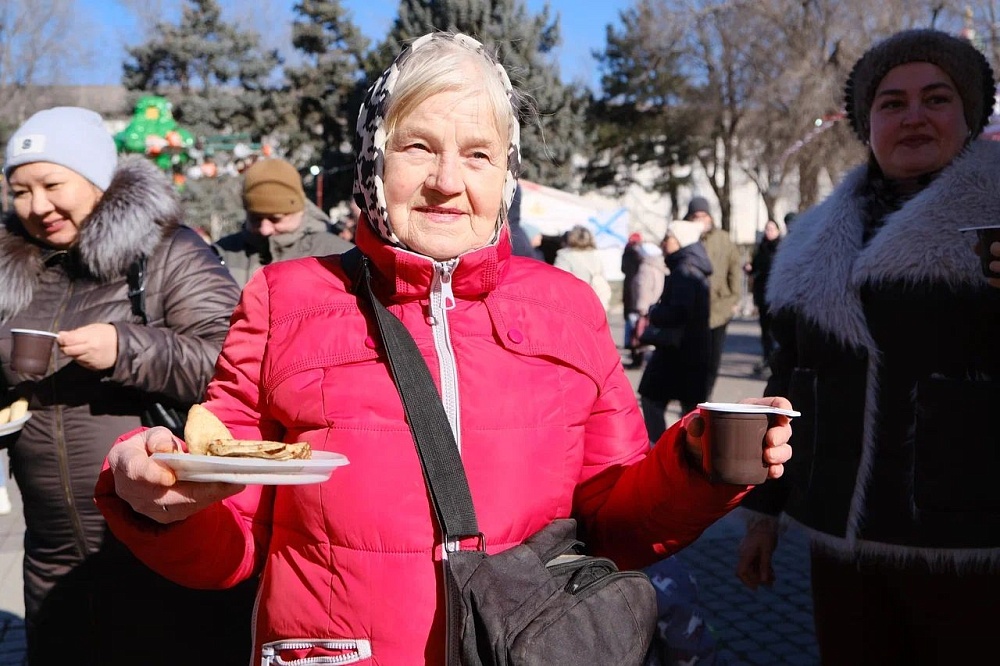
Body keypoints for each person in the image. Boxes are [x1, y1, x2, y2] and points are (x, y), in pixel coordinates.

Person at [94, 32, 795, 665]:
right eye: (419, 146)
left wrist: (698, 462)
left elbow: (614, 525)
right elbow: (233, 538)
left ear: (506, 176)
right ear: (375, 157)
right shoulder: (286, 298)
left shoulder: (568, 306)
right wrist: (161, 505)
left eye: (479, 154)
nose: (447, 181)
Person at [735, 29, 1000, 665]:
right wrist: (764, 512)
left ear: (968, 118)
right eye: (891, 103)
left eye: (936, 99)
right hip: (837, 539)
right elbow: (790, 381)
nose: (912, 116)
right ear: (867, 124)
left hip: (971, 542)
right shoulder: (815, 238)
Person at [0, 107, 252, 664]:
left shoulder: (164, 252)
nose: (37, 206)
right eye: (20, 190)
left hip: (160, 534)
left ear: (95, 178)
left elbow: (235, 364)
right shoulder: (13, 265)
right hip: (49, 549)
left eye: (52, 184)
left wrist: (125, 348)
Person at [214, 157, 353, 288]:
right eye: (256, 218)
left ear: (298, 211)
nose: (265, 229)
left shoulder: (340, 257)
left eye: (275, 219)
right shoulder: (220, 255)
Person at [636, 221, 713, 444]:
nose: (663, 242)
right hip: (690, 351)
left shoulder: (684, 269)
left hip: (677, 351)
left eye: (668, 237)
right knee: (689, 407)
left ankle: (663, 449)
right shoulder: (691, 266)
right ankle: (685, 452)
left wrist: (655, 311)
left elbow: (679, 311)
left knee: (652, 397)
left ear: (680, 241)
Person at [685, 196, 740, 399]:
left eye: (704, 216)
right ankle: (693, 395)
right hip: (691, 310)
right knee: (692, 357)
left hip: (719, 308)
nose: (700, 220)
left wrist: (734, 300)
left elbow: (735, 268)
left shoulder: (723, 239)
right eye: (695, 216)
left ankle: (704, 395)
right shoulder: (684, 237)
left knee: (712, 358)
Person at [743, 218, 784, 375]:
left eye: (772, 229)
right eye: (767, 229)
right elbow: (756, 268)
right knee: (765, 330)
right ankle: (767, 357)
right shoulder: (761, 248)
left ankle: (777, 360)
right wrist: (749, 269)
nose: (769, 231)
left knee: (777, 330)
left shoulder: (782, 248)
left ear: (778, 231)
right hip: (762, 295)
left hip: (777, 297)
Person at [627, 239, 669, 370]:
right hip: (654, 304)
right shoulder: (658, 267)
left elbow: (643, 288)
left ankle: (638, 360)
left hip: (644, 307)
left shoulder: (645, 268)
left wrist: (641, 307)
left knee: (639, 335)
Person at [555, 224, 613, 313]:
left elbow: (559, 283)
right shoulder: (596, 255)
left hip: (574, 305)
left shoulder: (565, 256)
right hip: (596, 303)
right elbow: (603, 277)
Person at [621, 231, 644, 361]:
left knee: (631, 321)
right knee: (636, 323)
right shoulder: (639, 256)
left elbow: (623, 270)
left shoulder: (627, 254)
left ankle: (631, 346)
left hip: (629, 292)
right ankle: (634, 350)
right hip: (635, 293)